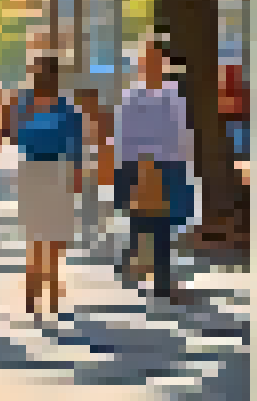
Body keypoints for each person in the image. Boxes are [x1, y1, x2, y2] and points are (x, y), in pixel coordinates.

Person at [115, 38, 195, 305]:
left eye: (156, 60)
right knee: (152, 221)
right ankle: (157, 278)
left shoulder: (173, 95)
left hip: (166, 165)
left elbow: (181, 133)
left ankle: (144, 264)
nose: (152, 66)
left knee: (158, 222)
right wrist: (134, 166)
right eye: (147, 60)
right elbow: (125, 136)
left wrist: (183, 161)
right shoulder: (132, 97)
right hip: (145, 166)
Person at [11, 55, 85, 319]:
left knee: (54, 236)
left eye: (44, 73)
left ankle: (52, 289)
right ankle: (33, 292)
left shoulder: (66, 108)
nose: (39, 77)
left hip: (57, 171)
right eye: (36, 72)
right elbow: (17, 136)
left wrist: (76, 172)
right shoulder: (25, 105)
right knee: (34, 235)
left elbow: (75, 142)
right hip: (32, 172)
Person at [74, 86, 115, 258]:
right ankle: (90, 238)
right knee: (87, 203)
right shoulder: (77, 120)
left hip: (96, 165)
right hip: (85, 166)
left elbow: (107, 142)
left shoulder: (101, 120)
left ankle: (97, 237)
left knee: (99, 204)